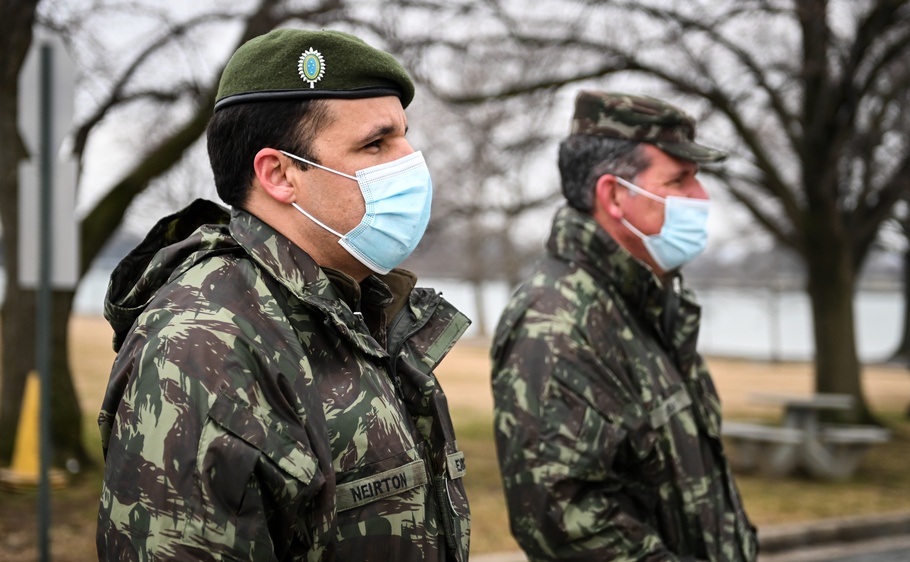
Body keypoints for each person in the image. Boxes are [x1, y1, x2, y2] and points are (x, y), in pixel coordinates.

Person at [97, 29, 471, 561]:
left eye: (405, 137)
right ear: (279, 174)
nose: (411, 160)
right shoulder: (204, 346)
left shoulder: (357, 309)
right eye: (375, 144)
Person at [490, 91, 758, 561]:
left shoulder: (643, 302)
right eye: (680, 180)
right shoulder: (556, 324)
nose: (702, 197)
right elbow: (565, 521)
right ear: (614, 195)